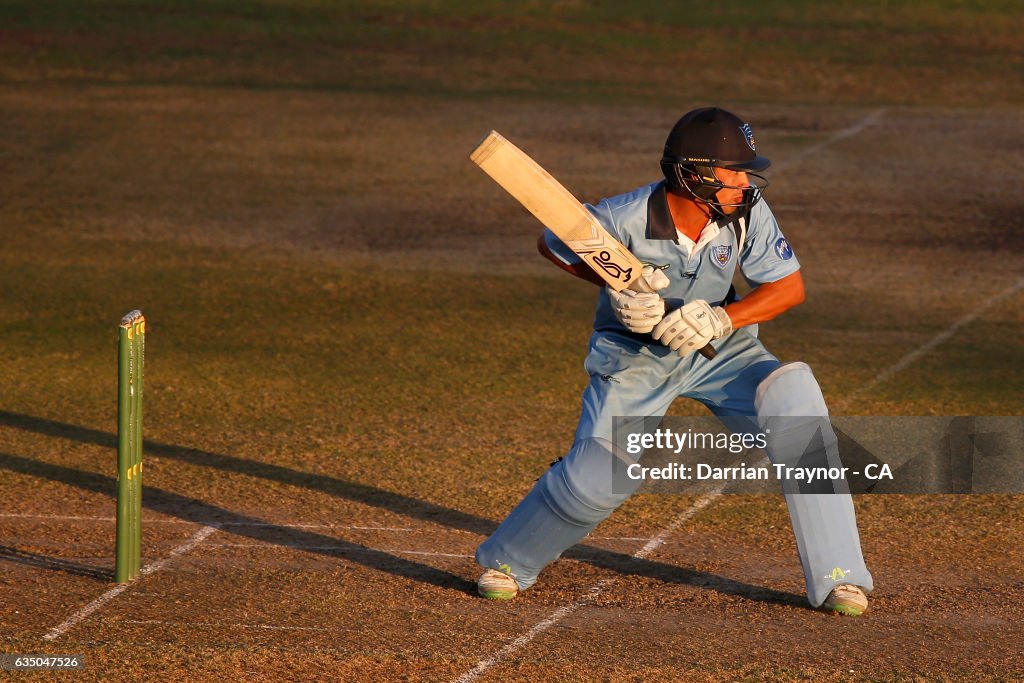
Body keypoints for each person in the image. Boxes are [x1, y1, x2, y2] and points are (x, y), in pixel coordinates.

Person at [474, 107, 873, 616]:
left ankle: (840, 576)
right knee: (601, 474)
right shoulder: (623, 217)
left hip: (725, 353)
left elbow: (788, 288)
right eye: (733, 171)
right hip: (635, 356)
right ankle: (510, 560)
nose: (744, 182)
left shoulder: (745, 213)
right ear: (695, 172)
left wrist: (723, 320)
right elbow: (554, 242)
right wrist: (617, 289)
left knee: (797, 411)